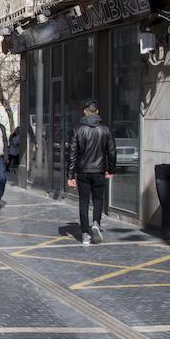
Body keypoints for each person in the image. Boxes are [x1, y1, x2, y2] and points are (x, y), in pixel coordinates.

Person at [67, 100, 116, 245]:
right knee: (98, 199)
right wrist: (111, 169)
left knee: (83, 202)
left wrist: (70, 175)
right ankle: (96, 223)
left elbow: (72, 154)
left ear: (85, 112)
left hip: (83, 171)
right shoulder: (105, 129)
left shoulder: (78, 129)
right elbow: (112, 152)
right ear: (97, 112)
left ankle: (84, 235)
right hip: (99, 170)